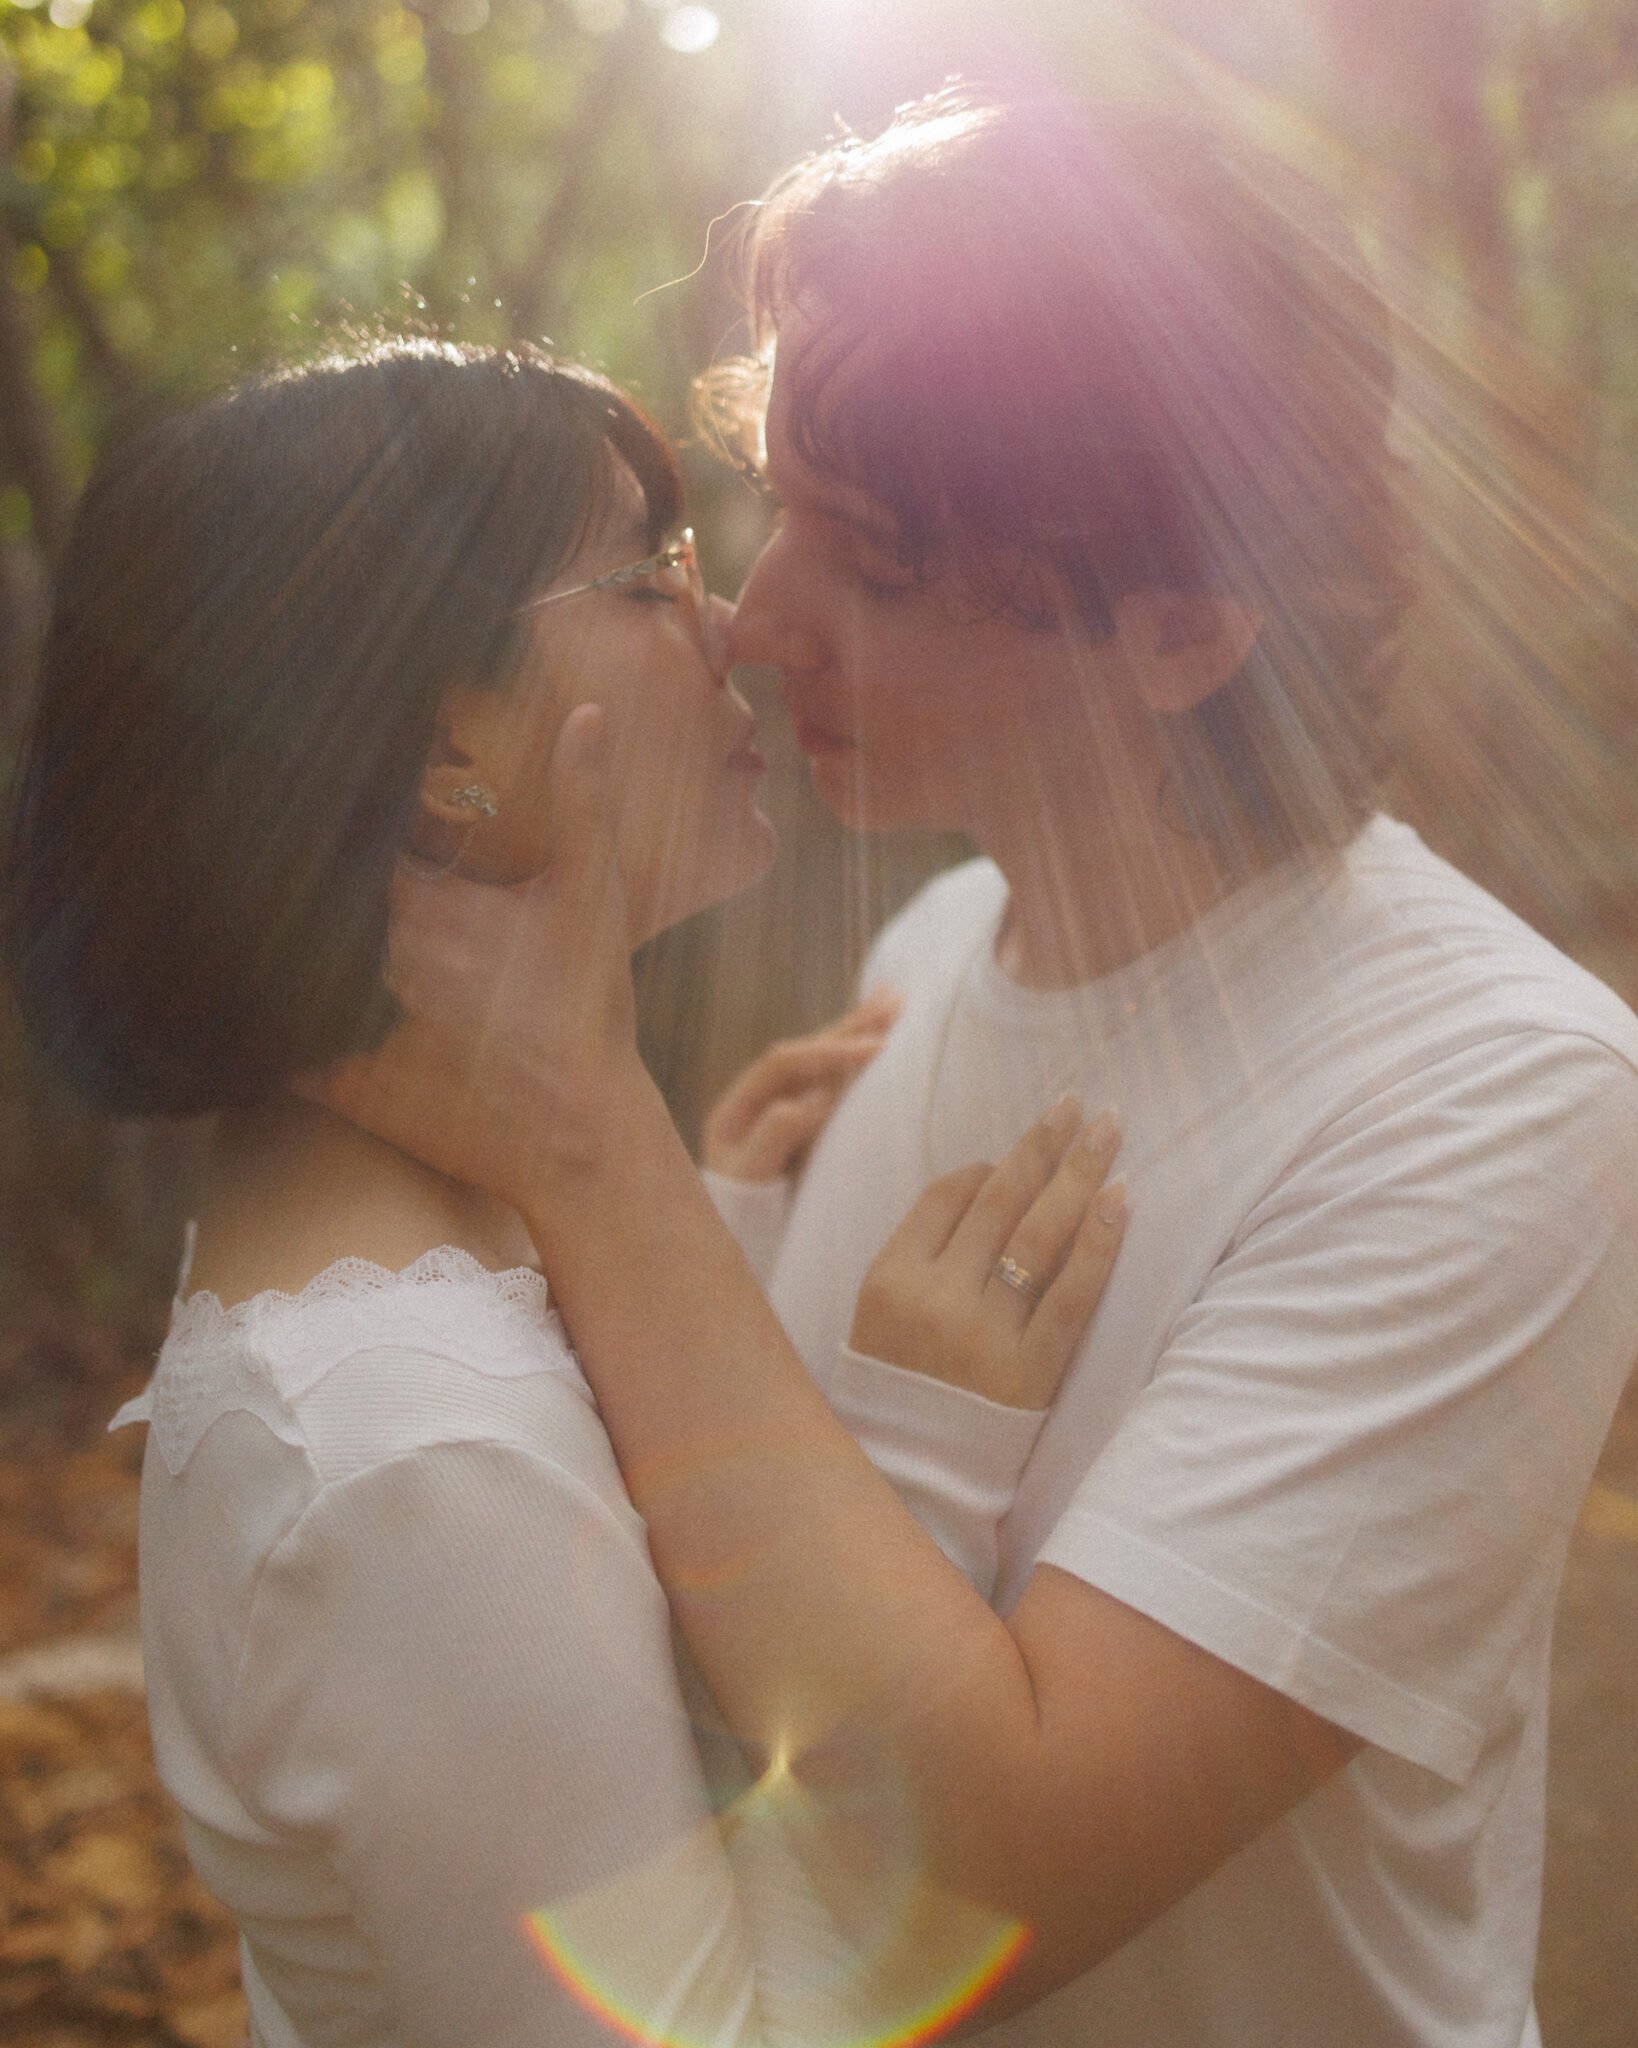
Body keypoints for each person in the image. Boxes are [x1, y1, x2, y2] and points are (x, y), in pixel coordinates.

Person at [316, 91, 1638, 2047]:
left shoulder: (1501, 1090)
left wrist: (593, 1148)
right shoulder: (927, 962)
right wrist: (739, 1242)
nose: (753, 622)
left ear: (1185, 626)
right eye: (774, 511)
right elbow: (762, 1700)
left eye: (872, 558)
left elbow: (983, 1881)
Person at [1, 336, 1130, 2047]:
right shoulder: (407, 1455)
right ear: (448, 735)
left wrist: (713, 1227)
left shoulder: (449, 1276)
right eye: (650, 574)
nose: (734, 625)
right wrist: (922, 1463)